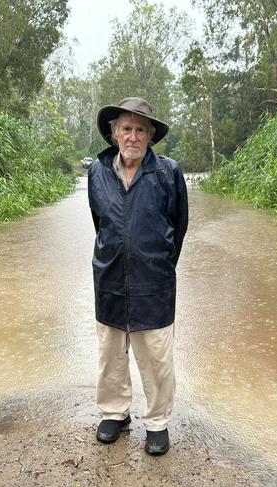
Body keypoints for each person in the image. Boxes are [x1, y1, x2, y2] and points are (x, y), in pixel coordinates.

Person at [87, 97, 188, 456]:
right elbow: (100, 223)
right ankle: (115, 413)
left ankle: (157, 422)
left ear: (150, 136)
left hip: (154, 283)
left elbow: (179, 227)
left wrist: (157, 265)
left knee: (157, 357)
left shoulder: (168, 173)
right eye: (126, 128)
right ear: (114, 133)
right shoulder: (97, 171)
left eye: (140, 130)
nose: (132, 136)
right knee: (110, 353)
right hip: (110, 279)